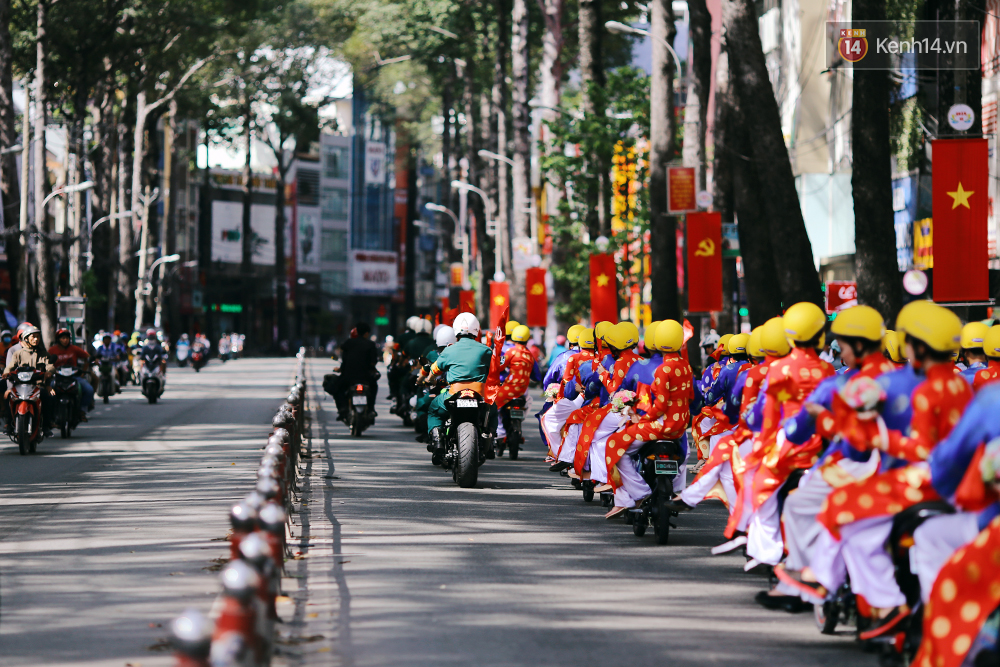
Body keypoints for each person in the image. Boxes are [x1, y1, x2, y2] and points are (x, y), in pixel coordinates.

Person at [602, 320, 694, 518]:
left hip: (660, 427)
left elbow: (659, 407)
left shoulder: (661, 370)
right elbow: (692, 399)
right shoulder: (686, 367)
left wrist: (641, 419)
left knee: (614, 444)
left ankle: (638, 492)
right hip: (679, 428)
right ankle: (674, 489)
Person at [423, 312, 495, 458]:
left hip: (453, 394)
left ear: (456, 329)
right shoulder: (485, 350)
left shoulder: (449, 350)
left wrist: (430, 380)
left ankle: (437, 439)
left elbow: (434, 371)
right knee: (492, 409)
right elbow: (496, 368)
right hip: (479, 396)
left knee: (433, 409)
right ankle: (491, 441)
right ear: (476, 329)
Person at [4, 326, 56, 436]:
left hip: (37, 386)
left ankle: (46, 426)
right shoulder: (18, 353)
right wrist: (6, 372)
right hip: (20, 386)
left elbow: (50, 366)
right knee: (9, 397)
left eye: (38, 337)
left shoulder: (43, 353)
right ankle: (8, 424)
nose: (36, 339)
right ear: (26, 338)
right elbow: (10, 366)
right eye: (33, 337)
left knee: (47, 397)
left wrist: (49, 372)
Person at [330, 322, 380, 421]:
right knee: (373, 387)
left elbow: (344, 361)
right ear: (367, 333)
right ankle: (370, 409)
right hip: (366, 377)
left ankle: (343, 408)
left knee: (337, 388)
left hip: (348, 377)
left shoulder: (348, 343)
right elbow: (373, 362)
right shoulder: (370, 344)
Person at [48, 328, 94, 419]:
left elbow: (87, 357)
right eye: (62, 338)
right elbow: (46, 362)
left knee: (89, 389)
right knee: (49, 391)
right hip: (58, 378)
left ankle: (82, 411)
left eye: (67, 338)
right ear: (58, 339)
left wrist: (83, 372)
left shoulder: (74, 349)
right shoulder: (52, 350)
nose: (65, 340)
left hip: (74, 377)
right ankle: (51, 413)